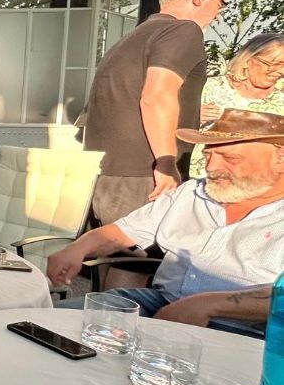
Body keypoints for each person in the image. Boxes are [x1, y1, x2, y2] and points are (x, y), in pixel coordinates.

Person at [48, 108, 284, 338]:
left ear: (280, 158)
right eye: (208, 156)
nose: (211, 168)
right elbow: (123, 232)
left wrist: (209, 305)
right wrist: (79, 248)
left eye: (230, 158)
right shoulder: (191, 193)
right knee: (46, 322)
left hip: (244, 329)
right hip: (156, 303)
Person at [82, 0, 228, 289]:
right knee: (137, 264)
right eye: (221, 4)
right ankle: (114, 323)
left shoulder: (133, 37)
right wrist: (166, 161)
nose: (218, 15)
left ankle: (98, 319)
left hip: (109, 171)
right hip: (144, 172)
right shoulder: (183, 30)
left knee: (112, 259)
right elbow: (156, 95)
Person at [190, 33, 284, 177]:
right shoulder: (208, 87)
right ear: (248, 60)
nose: (280, 71)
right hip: (206, 175)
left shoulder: (280, 100)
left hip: (257, 180)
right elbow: (168, 124)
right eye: (272, 64)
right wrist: (191, 118)